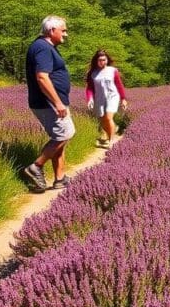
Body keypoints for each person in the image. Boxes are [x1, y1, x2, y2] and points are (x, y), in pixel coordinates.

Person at [22, 15, 75, 193]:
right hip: (48, 103)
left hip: (51, 102)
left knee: (60, 138)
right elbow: (42, 77)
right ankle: (36, 167)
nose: (66, 34)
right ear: (52, 31)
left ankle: (59, 179)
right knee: (65, 134)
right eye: (64, 30)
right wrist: (58, 102)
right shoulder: (42, 48)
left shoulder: (46, 46)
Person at [85, 49, 127, 149]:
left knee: (108, 118)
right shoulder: (93, 73)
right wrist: (90, 99)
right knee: (103, 121)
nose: (102, 62)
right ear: (96, 61)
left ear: (107, 60)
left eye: (104, 60)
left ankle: (111, 140)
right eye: (100, 60)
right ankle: (112, 129)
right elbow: (89, 88)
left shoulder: (113, 71)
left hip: (112, 96)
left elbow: (119, 85)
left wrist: (123, 98)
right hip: (99, 98)